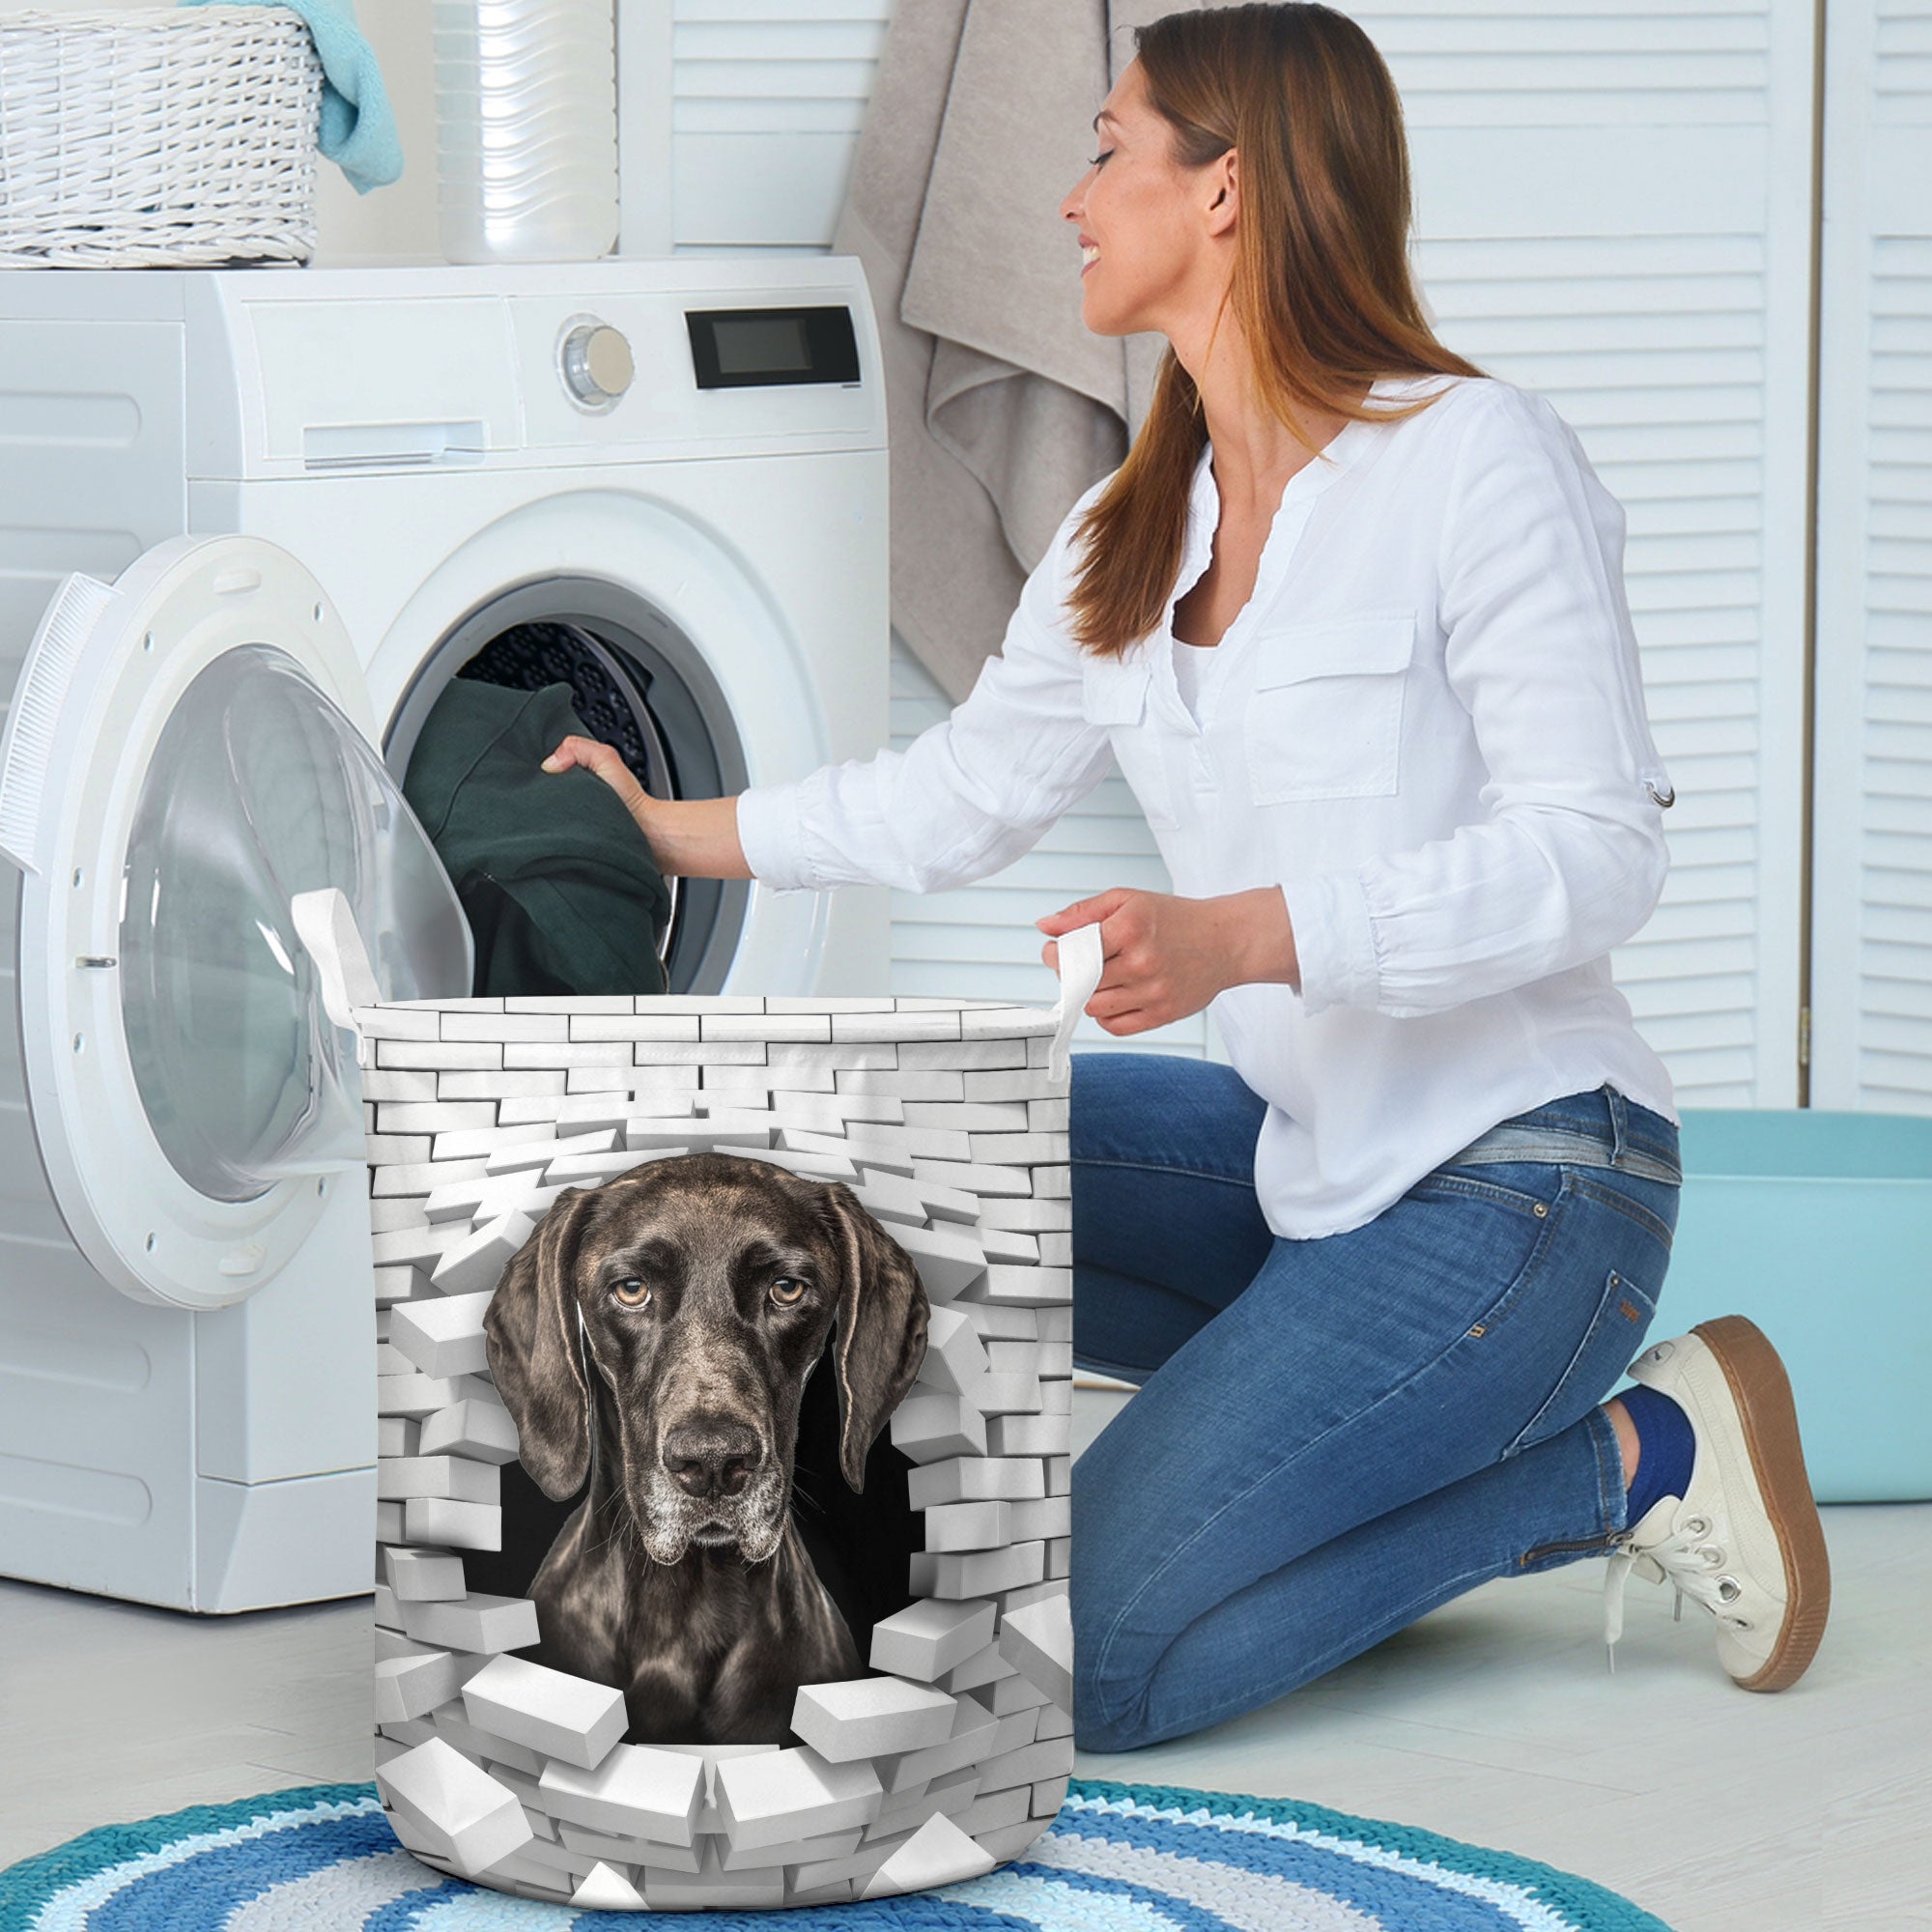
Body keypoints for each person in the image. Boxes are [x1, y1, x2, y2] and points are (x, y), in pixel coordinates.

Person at [540, 0, 1831, 1754]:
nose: (1070, 198)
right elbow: (962, 797)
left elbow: (1599, 856)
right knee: (879, 1168)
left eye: (1106, 150)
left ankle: (1633, 1461)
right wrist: (682, 826)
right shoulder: (1129, 527)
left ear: (1226, 190)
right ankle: (1261, 1444)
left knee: (1096, 1663)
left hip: (1529, 1185)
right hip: (1313, 1172)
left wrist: (1250, 939)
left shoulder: (1472, 458)